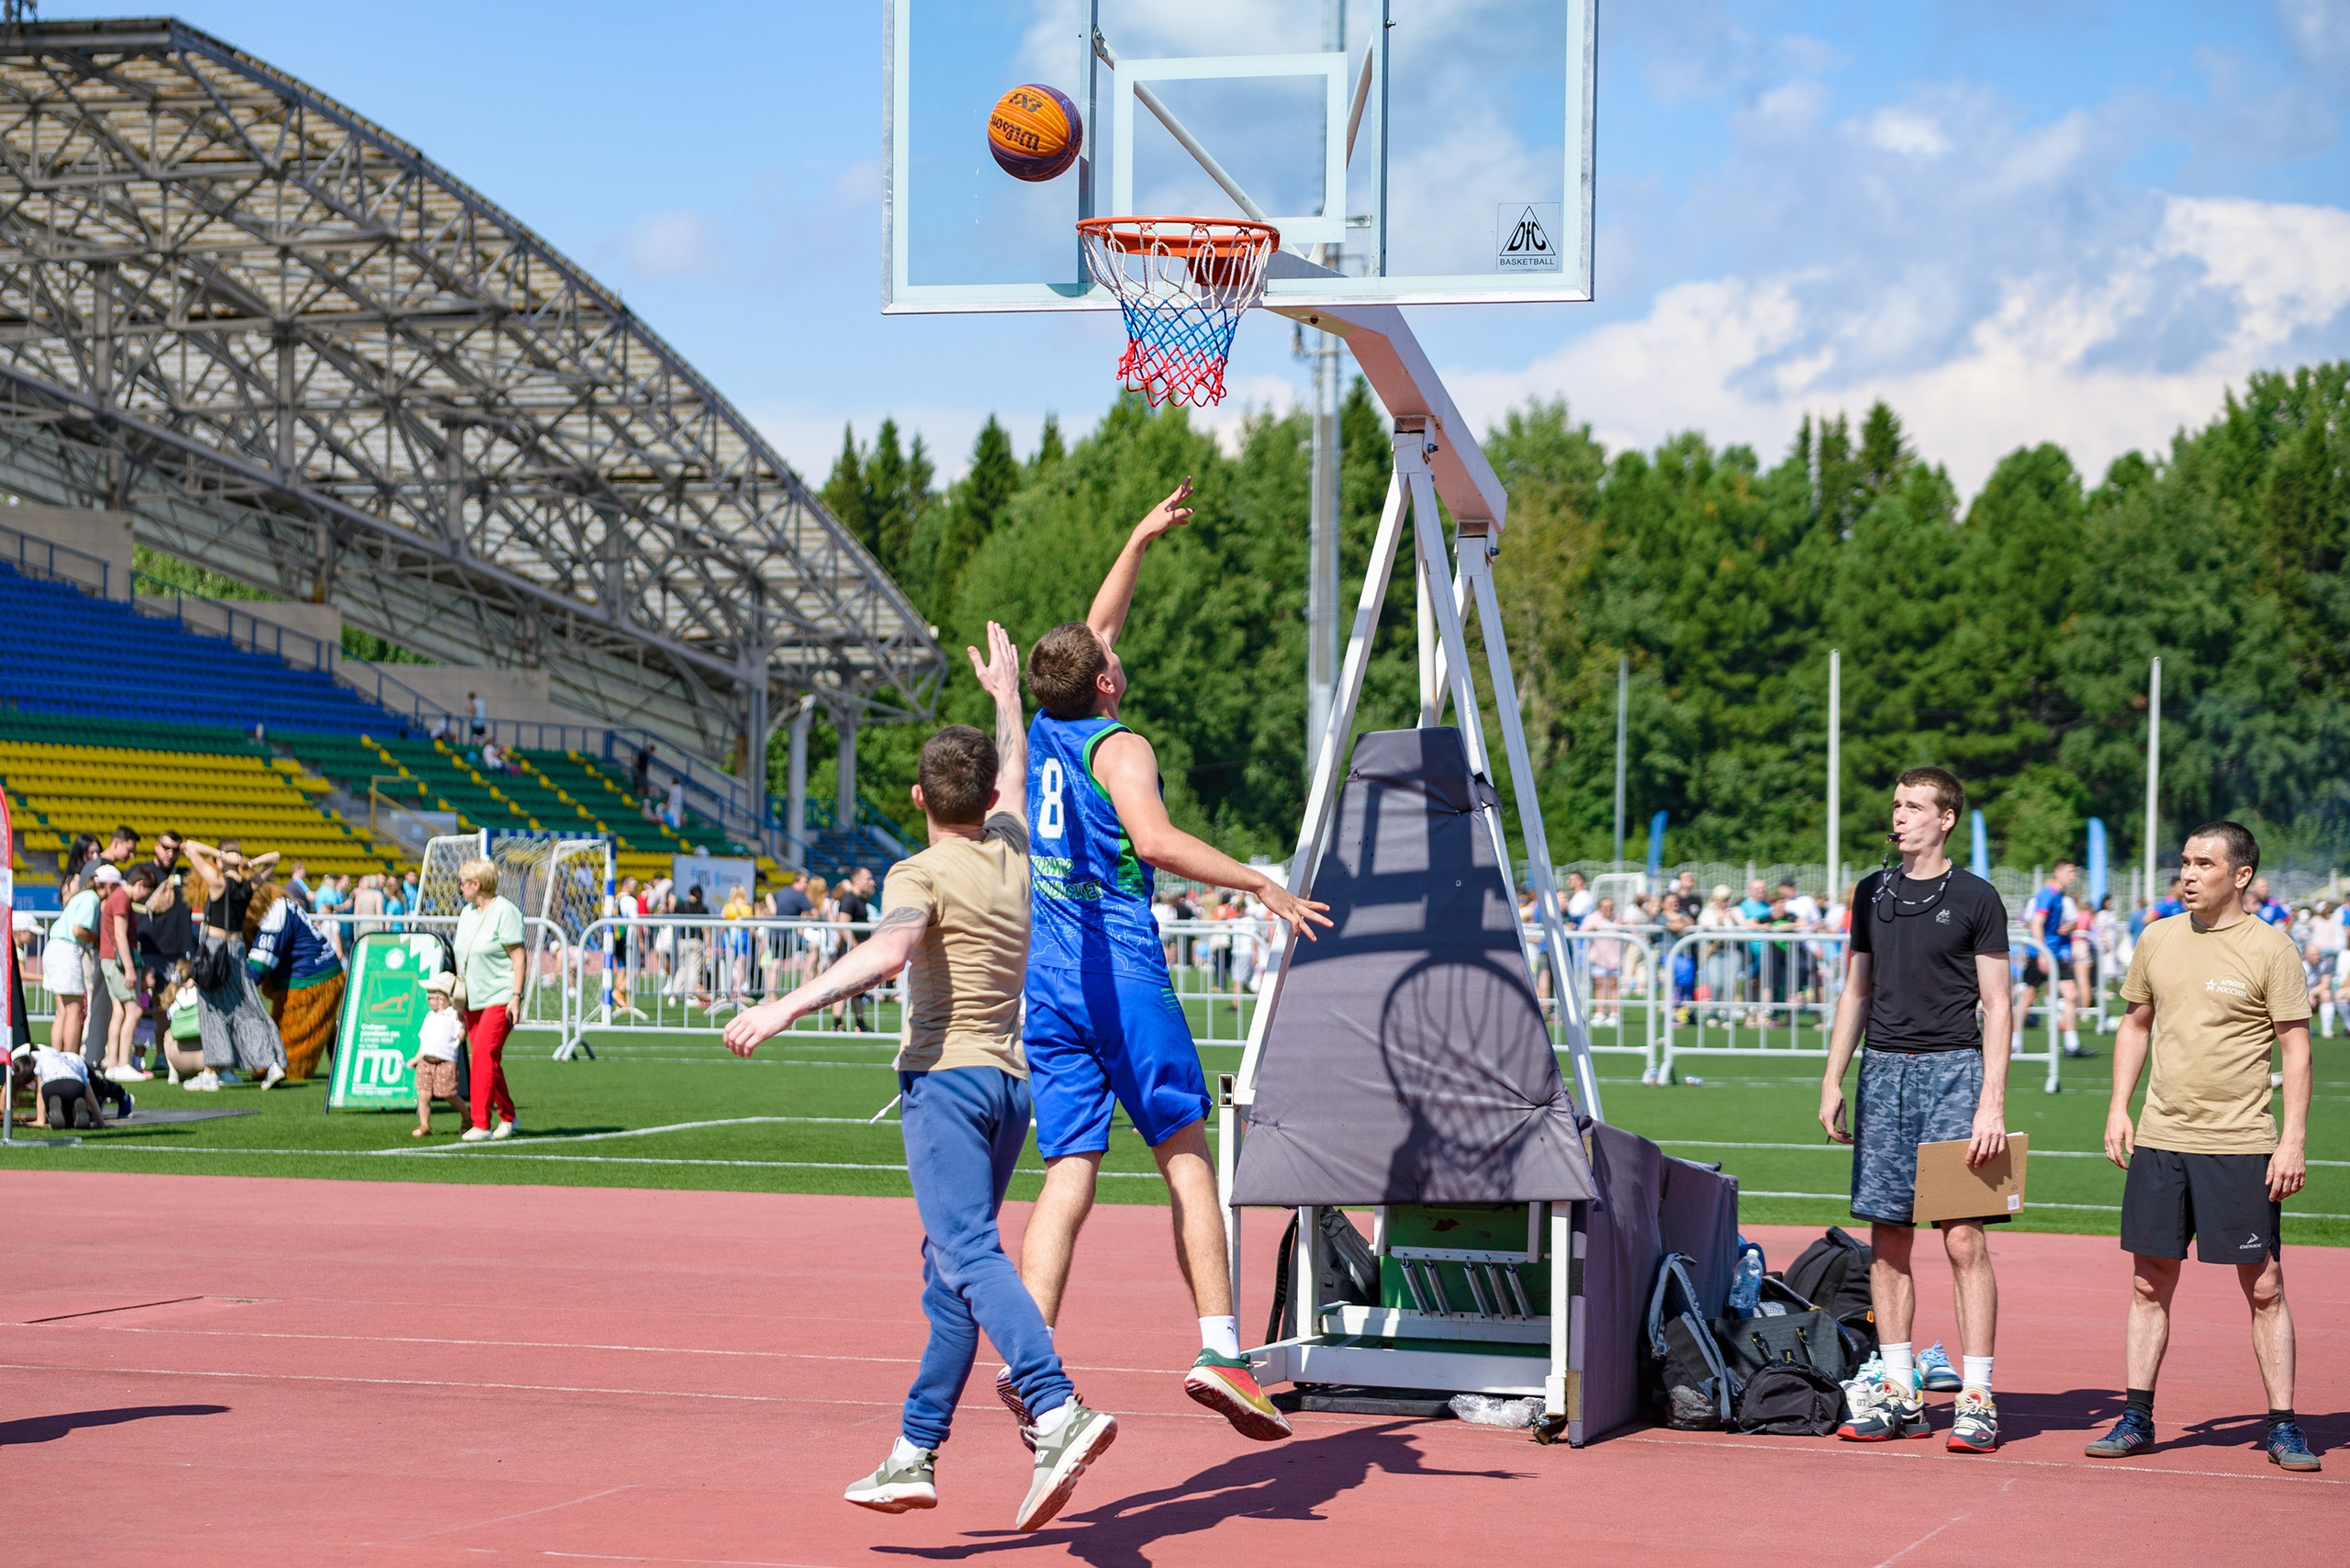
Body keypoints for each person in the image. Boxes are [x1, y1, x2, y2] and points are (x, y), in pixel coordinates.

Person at [722, 622, 1115, 1530]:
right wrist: (1007, 696)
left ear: (916, 797)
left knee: (969, 1254)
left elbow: (890, 951)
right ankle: (913, 1449)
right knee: (950, 1278)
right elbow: (1016, 774)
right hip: (1010, 1087)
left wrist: (784, 1005)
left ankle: (1055, 1407)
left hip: (943, 1079)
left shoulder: (919, 867)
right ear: (982, 794)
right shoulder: (1012, 845)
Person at [1015, 478, 1330, 1442]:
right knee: (1186, 1157)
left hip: (1050, 982)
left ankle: (1032, 1370)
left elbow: (1095, 624)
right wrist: (1256, 880)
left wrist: (1137, 535)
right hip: (1120, 973)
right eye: (1110, 656)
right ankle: (1220, 1349)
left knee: (1067, 1173)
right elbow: (1152, 841)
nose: (1116, 648)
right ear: (1105, 682)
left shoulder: (1042, 727)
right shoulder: (1120, 746)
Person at [2085, 822, 2320, 1473]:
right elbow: (2136, 1024)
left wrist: (2292, 1141)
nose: (2188, 874)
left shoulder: (2272, 948)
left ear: (2239, 876)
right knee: (2148, 1280)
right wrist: (2118, 1107)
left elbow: (2296, 1049)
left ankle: (2283, 1425)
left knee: (2265, 1286)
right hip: (2162, 1139)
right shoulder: (2156, 936)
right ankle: (2136, 1417)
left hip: (2242, 1143)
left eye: (2204, 864)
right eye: (2184, 863)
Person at [1820, 766, 2013, 1454]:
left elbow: (1999, 1006)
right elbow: (1856, 992)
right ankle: (1901, 1391)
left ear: (1947, 817)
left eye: (1913, 806)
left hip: (1956, 1074)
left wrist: (1991, 1103)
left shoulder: (1977, 896)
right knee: (1888, 1238)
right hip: (1884, 1074)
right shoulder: (1871, 892)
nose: (1899, 816)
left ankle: (1978, 1394)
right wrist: (1833, 1075)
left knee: (1963, 1237)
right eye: (1897, 805)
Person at [181, 839, 286, 1092]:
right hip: (237, 951)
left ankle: (213, 1070)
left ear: (220, 861)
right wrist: (251, 862)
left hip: (215, 949)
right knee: (247, 1008)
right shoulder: (247, 885)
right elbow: (276, 856)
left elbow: (190, 847)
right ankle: (269, 1063)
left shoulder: (217, 881)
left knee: (210, 1008)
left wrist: (221, 854)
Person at [453, 857, 526, 1141]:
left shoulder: (505, 912)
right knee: (488, 1060)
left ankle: (481, 1123)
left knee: (483, 1056)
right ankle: (508, 1116)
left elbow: (518, 957)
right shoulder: (467, 913)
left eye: (463, 882)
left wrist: (515, 997)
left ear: (476, 884)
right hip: (472, 999)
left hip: (500, 996)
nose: (459, 887)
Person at [246, 880, 347, 1081]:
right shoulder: (278, 904)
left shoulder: (275, 911)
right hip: (308, 976)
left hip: (313, 980)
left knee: (290, 1063)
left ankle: (342, 1058)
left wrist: (231, 988)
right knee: (281, 1035)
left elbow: (259, 967)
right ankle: (342, 1059)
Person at [2024, 862, 2094, 1059]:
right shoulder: (2047, 894)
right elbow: (2036, 923)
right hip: (2042, 952)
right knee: (2028, 996)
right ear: (2057, 872)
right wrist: (2041, 953)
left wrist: (2069, 928)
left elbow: (2063, 923)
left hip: (2057, 953)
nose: (2073, 876)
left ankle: (2072, 1044)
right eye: (2069, 872)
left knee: (2071, 994)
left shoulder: (2061, 897)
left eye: (2074, 872)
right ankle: (2014, 1042)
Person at [99, 864, 152, 1081]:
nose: (143, 897)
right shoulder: (121, 898)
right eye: (145, 892)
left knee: (119, 1012)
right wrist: (130, 969)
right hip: (118, 962)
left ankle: (112, 1064)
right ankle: (122, 1063)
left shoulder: (116, 896)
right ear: (139, 885)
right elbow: (120, 935)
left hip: (109, 959)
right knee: (134, 1011)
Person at [46, 866, 102, 1064]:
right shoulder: (92, 898)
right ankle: (70, 1060)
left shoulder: (80, 895)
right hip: (67, 949)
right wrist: (96, 939)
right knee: (74, 1010)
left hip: (53, 947)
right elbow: (78, 930)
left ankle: (56, 1058)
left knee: (62, 1011)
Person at [410, 971, 466, 1137]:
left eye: (431, 996)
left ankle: (467, 1117)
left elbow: (461, 1036)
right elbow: (424, 1040)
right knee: (424, 1094)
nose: (428, 999)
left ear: (441, 998)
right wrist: (417, 1057)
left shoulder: (452, 1015)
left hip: (445, 1063)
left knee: (448, 1095)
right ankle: (424, 1125)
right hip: (426, 1063)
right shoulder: (429, 1016)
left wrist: (462, 1025)